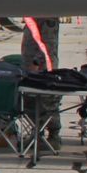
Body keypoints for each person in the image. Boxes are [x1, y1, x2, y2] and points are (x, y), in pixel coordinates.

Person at [19, 16, 62, 147]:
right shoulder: (32, 17)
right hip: (30, 69)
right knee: (30, 101)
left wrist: (36, 62)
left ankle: (54, 135)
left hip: (44, 69)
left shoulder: (46, 16)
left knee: (47, 103)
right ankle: (36, 133)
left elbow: (47, 44)